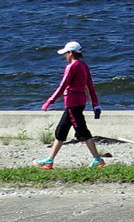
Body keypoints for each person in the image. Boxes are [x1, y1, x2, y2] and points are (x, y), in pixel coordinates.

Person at [37, 40, 105, 169]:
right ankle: (49, 161)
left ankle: (98, 159)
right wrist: (95, 104)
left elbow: (62, 85)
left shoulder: (71, 67)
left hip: (72, 103)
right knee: (61, 131)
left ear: (70, 53)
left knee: (83, 132)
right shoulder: (84, 66)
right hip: (80, 102)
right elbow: (90, 86)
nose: (65, 56)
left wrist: (49, 101)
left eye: (65, 54)